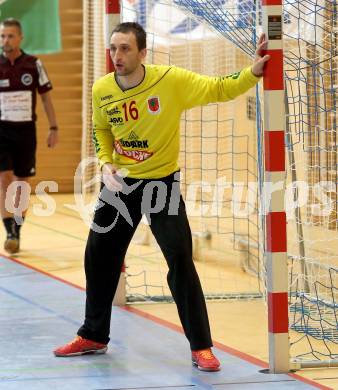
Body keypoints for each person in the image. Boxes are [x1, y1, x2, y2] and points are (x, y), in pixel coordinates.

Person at [54, 22, 269, 371]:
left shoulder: (169, 81)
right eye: (113, 48)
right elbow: (101, 129)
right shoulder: (102, 89)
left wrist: (253, 72)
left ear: (142, 53)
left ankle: (201, 347)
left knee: (181, 259)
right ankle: (93, 334)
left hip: (161, 187)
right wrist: (106, 164)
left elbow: (218, 88)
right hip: (120, 187)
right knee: (98, 257)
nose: (116, 56)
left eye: (125, 48)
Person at [0, 18, 58, 254]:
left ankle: (18, 229)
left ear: (20, 38)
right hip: (1, 130)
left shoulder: (33, 64)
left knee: (22, 183)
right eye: (3, 36)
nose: (6, 40)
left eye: (10, 36)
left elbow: (45, 98)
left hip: (26, 132)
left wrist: (54, 128)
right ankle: (10, 231)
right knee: (4, 179)